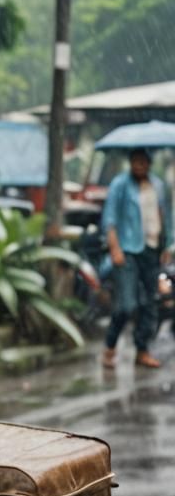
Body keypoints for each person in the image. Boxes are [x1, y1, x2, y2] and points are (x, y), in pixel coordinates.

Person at [101, 147, 173, 369]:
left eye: (143, 162)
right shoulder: (120, 185)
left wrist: (168, 244)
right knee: (126, 304)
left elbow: (166, 218)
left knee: (150, 303)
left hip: (151, 250)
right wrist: (115, 249)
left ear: (149, 164)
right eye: (136, 162)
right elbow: (109, 218)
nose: (139, 166)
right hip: (127, 251)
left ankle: (142, 350)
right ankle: (110, 345)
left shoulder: (158, 186)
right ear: (131, 163)